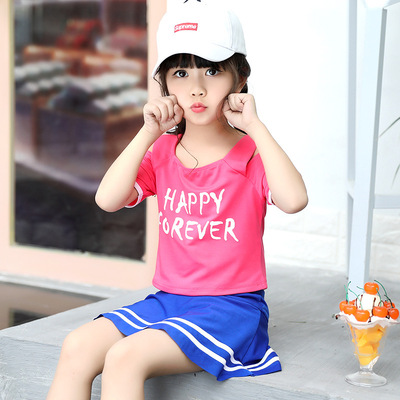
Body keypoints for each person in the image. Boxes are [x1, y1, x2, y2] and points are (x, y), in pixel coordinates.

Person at [47, 2, 308, 399]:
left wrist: (255, 126)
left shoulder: (252, 154)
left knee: (125, 357)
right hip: (170, 301)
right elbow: (107, 199)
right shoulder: (162, 153)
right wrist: (148, 133)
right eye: (181, 73)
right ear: (166, 85)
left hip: (231, 309)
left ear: (240, 79)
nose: (197, 88)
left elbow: (294, 200)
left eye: (212, 70)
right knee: (77, 346)